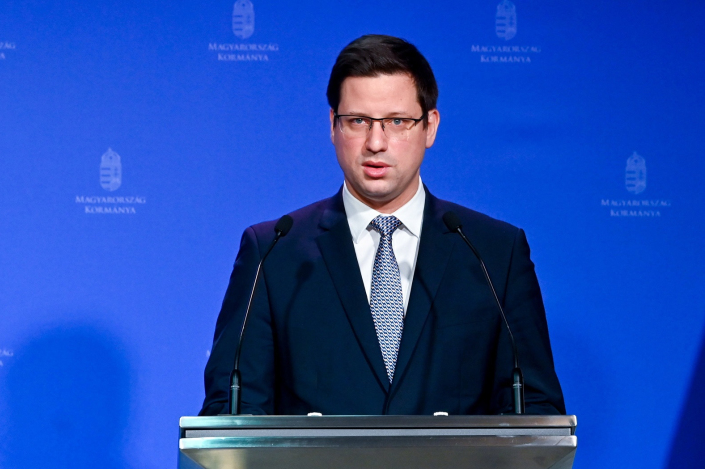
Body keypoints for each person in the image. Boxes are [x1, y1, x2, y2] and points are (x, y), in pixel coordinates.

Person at [199, 34, 565, 416]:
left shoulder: (493, 254)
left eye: (397, 121)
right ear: (333, 126)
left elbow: (535, 409)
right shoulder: (274, 252)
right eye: (358, 121)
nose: (376, 142)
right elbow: (232, 413)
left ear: (430, 126)